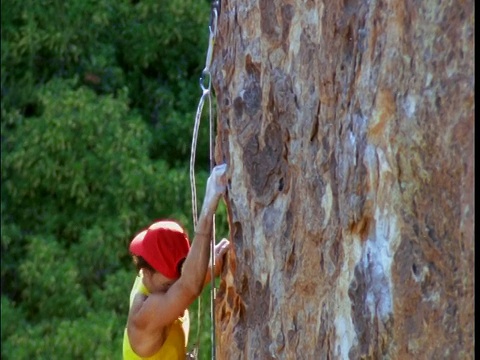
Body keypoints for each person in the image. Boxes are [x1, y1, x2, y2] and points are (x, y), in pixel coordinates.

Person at [123, 164, 230, 359]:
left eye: (180, 276)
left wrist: (209, 265)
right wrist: (208, 207)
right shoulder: (144, 315)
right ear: (146, 273)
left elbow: (187, 282)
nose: (174, 288)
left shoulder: (157, 282)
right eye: (167, 285)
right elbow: (187, 287)